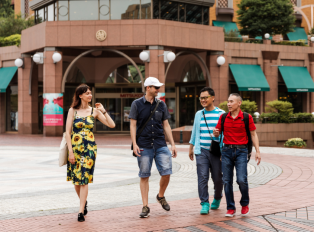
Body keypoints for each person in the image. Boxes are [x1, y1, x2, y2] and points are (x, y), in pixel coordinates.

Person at [65, 84, 115, 222]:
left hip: (89, 149)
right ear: (80, 95)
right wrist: (70, 152)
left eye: (90, 93)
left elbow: (112, 125)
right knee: (76, 180)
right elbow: (67, 133)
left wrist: (103, 111)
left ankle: (80, 211)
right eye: (87, 93)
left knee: (84, 179)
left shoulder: (94, 111)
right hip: (75, 149)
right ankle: (84, 202)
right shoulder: (72, 111)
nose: (90, 95)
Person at [129, 77, 178, 218]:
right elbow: (133, 125)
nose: (158, 90)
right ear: (148, 88)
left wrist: (173, 144)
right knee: (144, 175)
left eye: (158, 87)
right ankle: (145, 206)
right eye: (156, 87)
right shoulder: (136, 104)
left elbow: (166, 125)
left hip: (160, 144)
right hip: (144, 144)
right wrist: (134, 144)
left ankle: (160, 196)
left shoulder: (161, 104)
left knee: (167, 172)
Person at [213, 93, 261, 217]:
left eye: (231, 101)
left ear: (239, 103)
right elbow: (217, 134)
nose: (228, 104)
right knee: (227, 181)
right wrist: (216, 133)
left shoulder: (246, 117)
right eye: (228, 101)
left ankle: (245, 204)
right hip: (226, 151)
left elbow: (253, 134)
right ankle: (230, 208)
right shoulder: (223, 117)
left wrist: (258, 151)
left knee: (241, 180)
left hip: (241, 151)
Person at [189, 87, 225, 215]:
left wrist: (223, 150)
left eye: (205, 97)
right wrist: (191, 148)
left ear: (213, 98)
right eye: (201, 98)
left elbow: (225, 134)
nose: (203, 100)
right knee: (202, 177)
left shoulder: (221, 114)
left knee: (218, 178)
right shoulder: (199, 114)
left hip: (217, 151)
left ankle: (217, 197)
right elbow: (194, 132)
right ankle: (204, 203)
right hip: (201, 151)